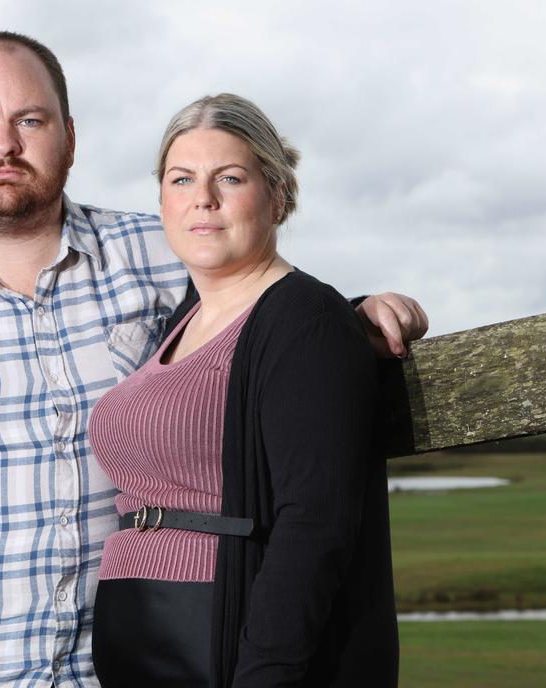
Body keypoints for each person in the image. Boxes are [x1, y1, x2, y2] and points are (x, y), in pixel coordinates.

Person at [0, 32, 424, 688]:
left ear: (70, 137)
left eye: (30, 120)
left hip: (118, 670)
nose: (4, 145)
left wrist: (349, 314)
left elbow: (258, 303)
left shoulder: (157, 253)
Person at [90, 93, 398, 687]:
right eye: (181, 180)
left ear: (279, 194)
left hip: (224, 644)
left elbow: (315, 526)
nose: (202, 198)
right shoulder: (181, 319)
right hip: (140, 639)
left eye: (229, 177)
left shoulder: (305, 319)